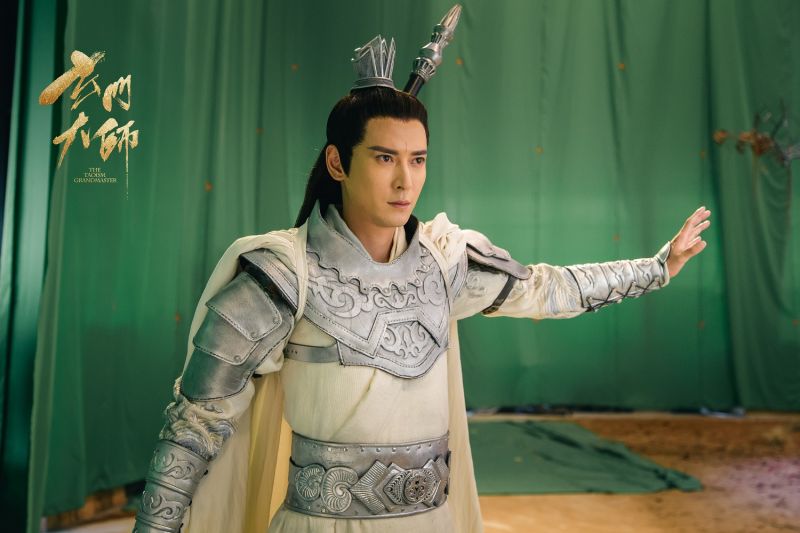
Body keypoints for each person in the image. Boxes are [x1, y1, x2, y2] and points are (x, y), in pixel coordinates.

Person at [132, 29, 711, 533]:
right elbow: (194, 425)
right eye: (385, 158)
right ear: (337, 163)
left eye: (418, 159)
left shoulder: (447, 261)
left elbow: (546, 287)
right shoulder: (283, 275)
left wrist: (657, 267)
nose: (405, 181)